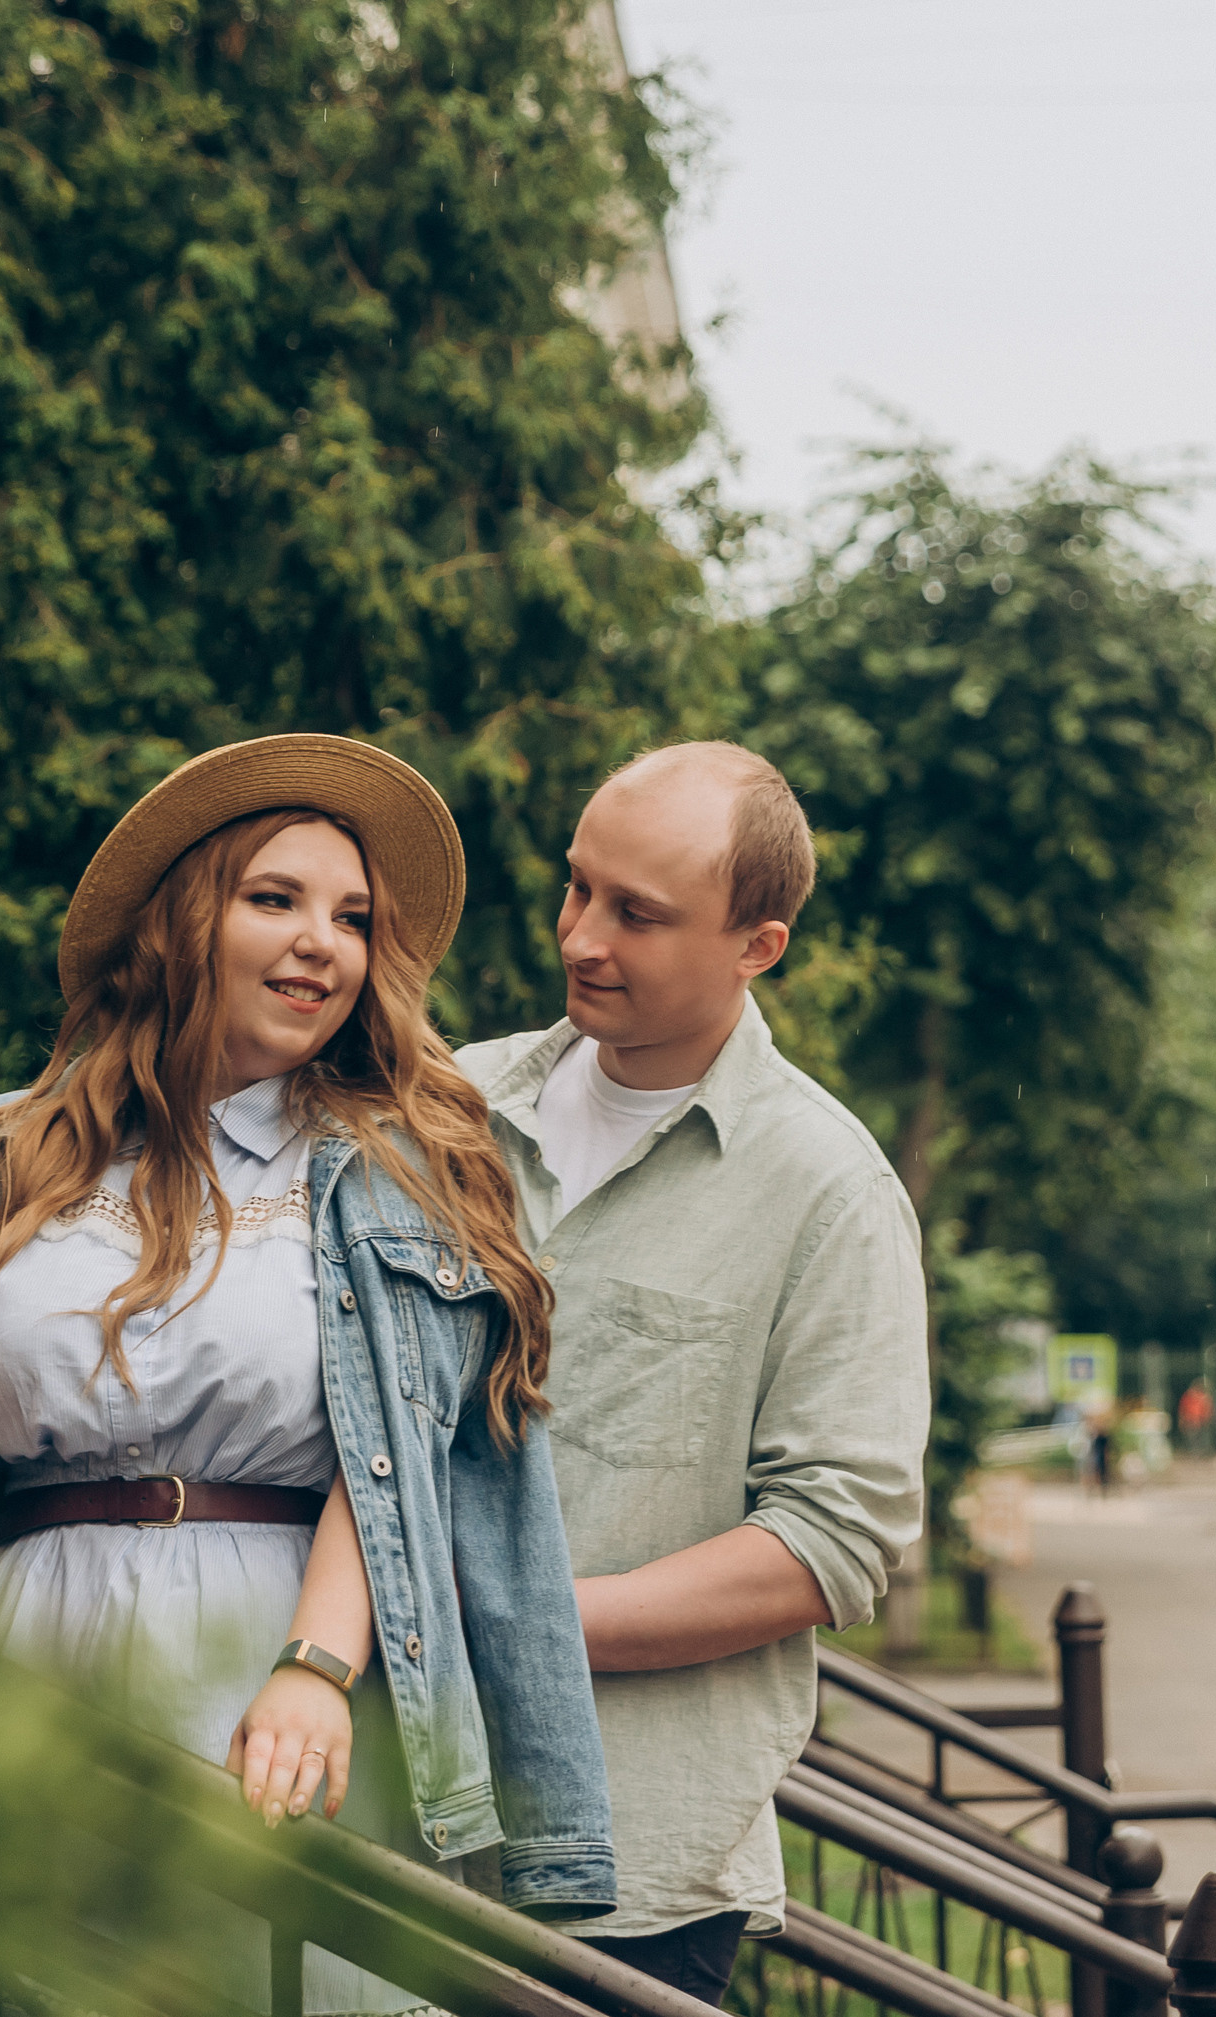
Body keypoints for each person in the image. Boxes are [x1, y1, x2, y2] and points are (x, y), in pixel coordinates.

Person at [0, 734, 615, 2012]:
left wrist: (315, 1668)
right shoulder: (1, 1148)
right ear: (183, 923)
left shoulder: (398, 1170)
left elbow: (397, 1454)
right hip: (21, 1648)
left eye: (352, 919)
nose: (322, 943)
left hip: (274, 1669)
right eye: (274, 900)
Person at [455, 741, 930, 2005]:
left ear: (755, 946)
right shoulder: (440, 1108)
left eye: (637, 914)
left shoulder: (830, 1192)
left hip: (627, 1864)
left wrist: (512, 1624)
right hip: (382, 1817)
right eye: (577, 889)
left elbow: (836, 1537)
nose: (580, 938)